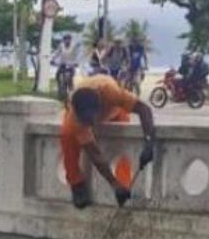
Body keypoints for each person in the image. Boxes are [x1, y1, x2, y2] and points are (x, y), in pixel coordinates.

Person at [61, 75, 157, 209]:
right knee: (67, 134)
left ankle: (125, 182)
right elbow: (95, 155)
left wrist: (149, 142)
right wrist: (114, 184)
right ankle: (76, 184)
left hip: (116, 113)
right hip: (78, 118)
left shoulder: (110, 92)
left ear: (99, 109)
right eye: (85, 122)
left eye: (90, 121)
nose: (90, 126)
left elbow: (144, 109)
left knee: (122, 147)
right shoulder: (75, 118)